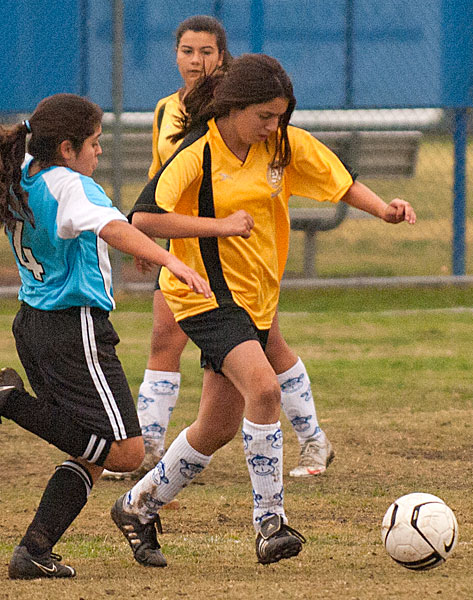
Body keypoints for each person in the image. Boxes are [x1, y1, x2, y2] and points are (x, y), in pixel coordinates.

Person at [110, 54, 416, 567]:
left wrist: (383, 209)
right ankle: (270, 523)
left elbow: (339, 180)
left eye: (280, 116)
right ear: (233, 107)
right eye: (265, 116)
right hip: (205, 297)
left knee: (216, 428)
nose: (274, 126)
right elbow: (143, 219)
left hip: (255, 300)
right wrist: (220, 226)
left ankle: (137, 506)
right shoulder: (198, 152)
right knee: (266, 388)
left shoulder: (282, 144)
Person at [107, 14, 335, 481]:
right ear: (175, 56)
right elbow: (158, 187)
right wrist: (147, 242)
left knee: (268, 349)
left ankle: (312, 438)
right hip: (187, 248)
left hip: (241, 259)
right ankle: (149, 449)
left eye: (206, 51)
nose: (196, 60)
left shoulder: (249, 118)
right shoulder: (166, 111)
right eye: (187, 51)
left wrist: (224, 225)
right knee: (166, 339)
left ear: (223, 58)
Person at [0, 93, 211, 579]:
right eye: (94, 143)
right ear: (67, 148)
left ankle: (33, 550)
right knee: (125, 451)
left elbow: (106, 228)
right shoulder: (70, 184)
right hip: (74, 329)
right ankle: (10, 399)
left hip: (34, 325)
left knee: (88, 450)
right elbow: (115, 227)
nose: (99, 152)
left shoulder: (23, 171)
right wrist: (171, 260)